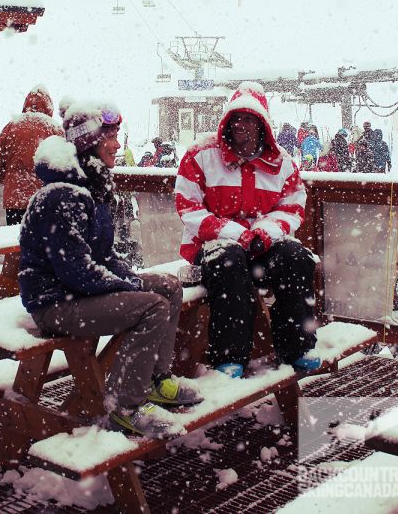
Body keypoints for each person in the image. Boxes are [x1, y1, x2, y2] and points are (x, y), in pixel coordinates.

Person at [19, 100, 202, 439]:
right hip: (53, 303)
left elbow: (103, 255)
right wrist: (131, 288)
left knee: (167, 287)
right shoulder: (62, 195)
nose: (118, 145)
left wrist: (130, 279)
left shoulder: (94, 187)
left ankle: (155, 380)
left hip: (77, 292)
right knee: (152, 305)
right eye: (110, 137)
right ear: (88, 142)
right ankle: (125, 405)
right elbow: (77, 271)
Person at [175, 82, 320, 378]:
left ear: (262, 125)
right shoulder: (200, 155)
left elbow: (292, 207)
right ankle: (229, 357)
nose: (241, 125)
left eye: (249, 119)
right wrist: (234, 233)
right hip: (213, 246)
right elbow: (189, 208)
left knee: (296, 257)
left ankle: (297, 347)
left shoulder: (282, 163)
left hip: (259, 248)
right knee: (229, 261)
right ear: (226, 121)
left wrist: (265, 232)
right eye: (236, 118)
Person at [0, 86, 63, 225]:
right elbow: (64, 165)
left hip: (15, 199)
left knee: (14, 241)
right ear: (49, 106)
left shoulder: (12, 125)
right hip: (44, 200)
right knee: (43, 244)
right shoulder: (55, 128)